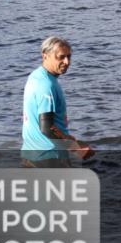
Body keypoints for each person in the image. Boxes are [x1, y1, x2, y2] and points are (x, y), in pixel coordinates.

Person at [21, 37, 94, 166]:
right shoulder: (46, 86)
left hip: (31, 155)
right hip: (49, 158)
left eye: (69, 57)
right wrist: (75, 148)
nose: (66, 62)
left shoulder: (36, 76)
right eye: (61, 57)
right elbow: (47, 128)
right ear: (45, 56)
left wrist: (69, 138)